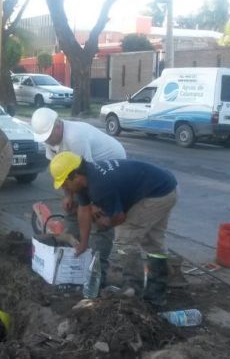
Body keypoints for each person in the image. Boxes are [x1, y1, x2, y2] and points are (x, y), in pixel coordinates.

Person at [49, 151, 178, 306]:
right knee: (153, 242)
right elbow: (84, 211)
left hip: (158, 194)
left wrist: (107, 222)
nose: (64, 186)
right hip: (163, 186)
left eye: (64, 182)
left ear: (75, 175)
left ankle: (133, 288)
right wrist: (83, 243)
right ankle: (156, 295)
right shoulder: (85, 179)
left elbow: (119, 218)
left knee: (124, 238)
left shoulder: (99, 186)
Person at [31, 107, 126, 281]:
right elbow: (62, 173)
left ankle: (98, 269)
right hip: (85, 172)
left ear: (58, 125)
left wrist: (93, 205)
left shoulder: (75, 138)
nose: (48, 140)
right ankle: (72, 255)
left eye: (49, 135)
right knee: (73, 208)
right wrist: (68, 196)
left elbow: (87, 175)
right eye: (45, 138)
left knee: (99, 217)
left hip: (110, 167)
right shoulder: (49, 140)